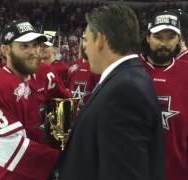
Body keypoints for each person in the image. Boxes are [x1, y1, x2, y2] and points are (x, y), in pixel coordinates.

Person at [57, 5, 164, 180]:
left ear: (100, 39)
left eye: (86, 39)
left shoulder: (125, 91)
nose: (84, 47)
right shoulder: (125, 79)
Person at [0, 20, 71, 180]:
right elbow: (5, 147)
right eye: (24, 46)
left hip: (44, 171)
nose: (33, 51)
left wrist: (63, 139)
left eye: (35, 45)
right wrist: (64, 159)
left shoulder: (45, 72)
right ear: (5, 50)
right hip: (6, 175)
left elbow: (65, 104)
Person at [140, 10, 188, 180]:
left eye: (170, 37)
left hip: (177, 172)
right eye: (158, 37)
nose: (164, 43)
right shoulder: (129, 69)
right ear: (148, 37)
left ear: (179, 39)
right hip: (133, 169)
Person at [66, 36, 99, 109]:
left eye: (88, 40)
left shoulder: (99, 68)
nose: (85, 44)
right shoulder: (73, 66)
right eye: (84, 40)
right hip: (73, 115)